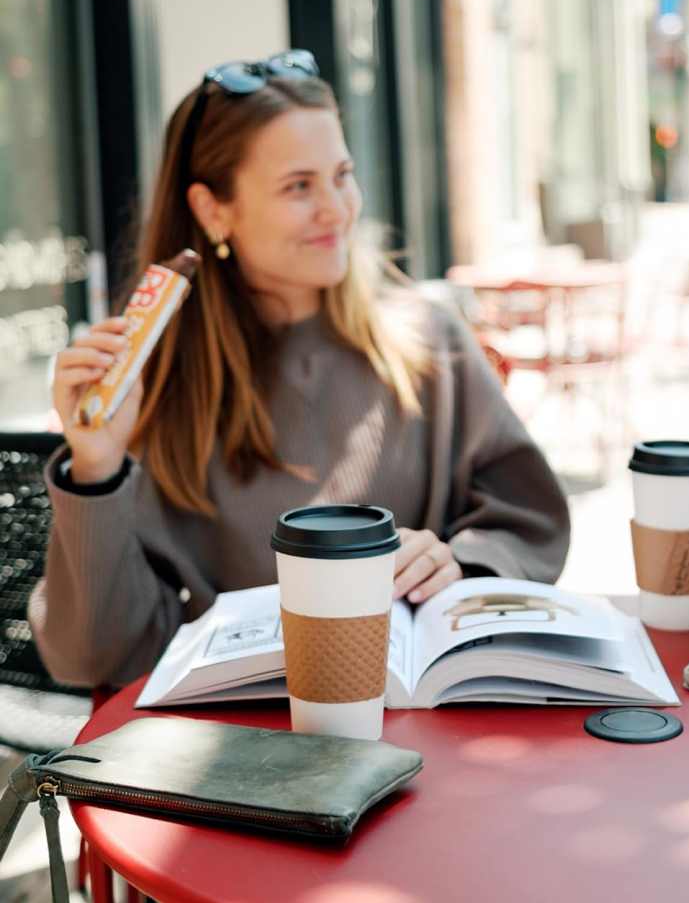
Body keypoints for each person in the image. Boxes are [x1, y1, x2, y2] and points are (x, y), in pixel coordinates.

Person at [30, 51, 570, 688]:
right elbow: (92, 659)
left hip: (427, 731)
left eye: (342, 174)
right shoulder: (152, 385)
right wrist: (95, 468)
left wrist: (460, 562)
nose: (337, 209)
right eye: (298, 186)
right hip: (241, 758)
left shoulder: (427, 342)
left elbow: (529, 524)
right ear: (213, 211)